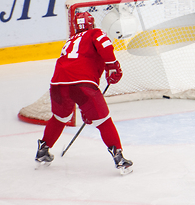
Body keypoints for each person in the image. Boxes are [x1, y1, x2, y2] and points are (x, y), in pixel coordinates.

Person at [34, 12, 133, 175]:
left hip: (58, 84)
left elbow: (75, 67)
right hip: (82, 84)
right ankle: (120, 159)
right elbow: (105, 47)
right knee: (103, 121)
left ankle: (43, 150)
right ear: (91, 24)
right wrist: (113, 65)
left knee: (60, 118)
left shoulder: (70, 40)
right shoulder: (95, 33)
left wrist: (85, 108)